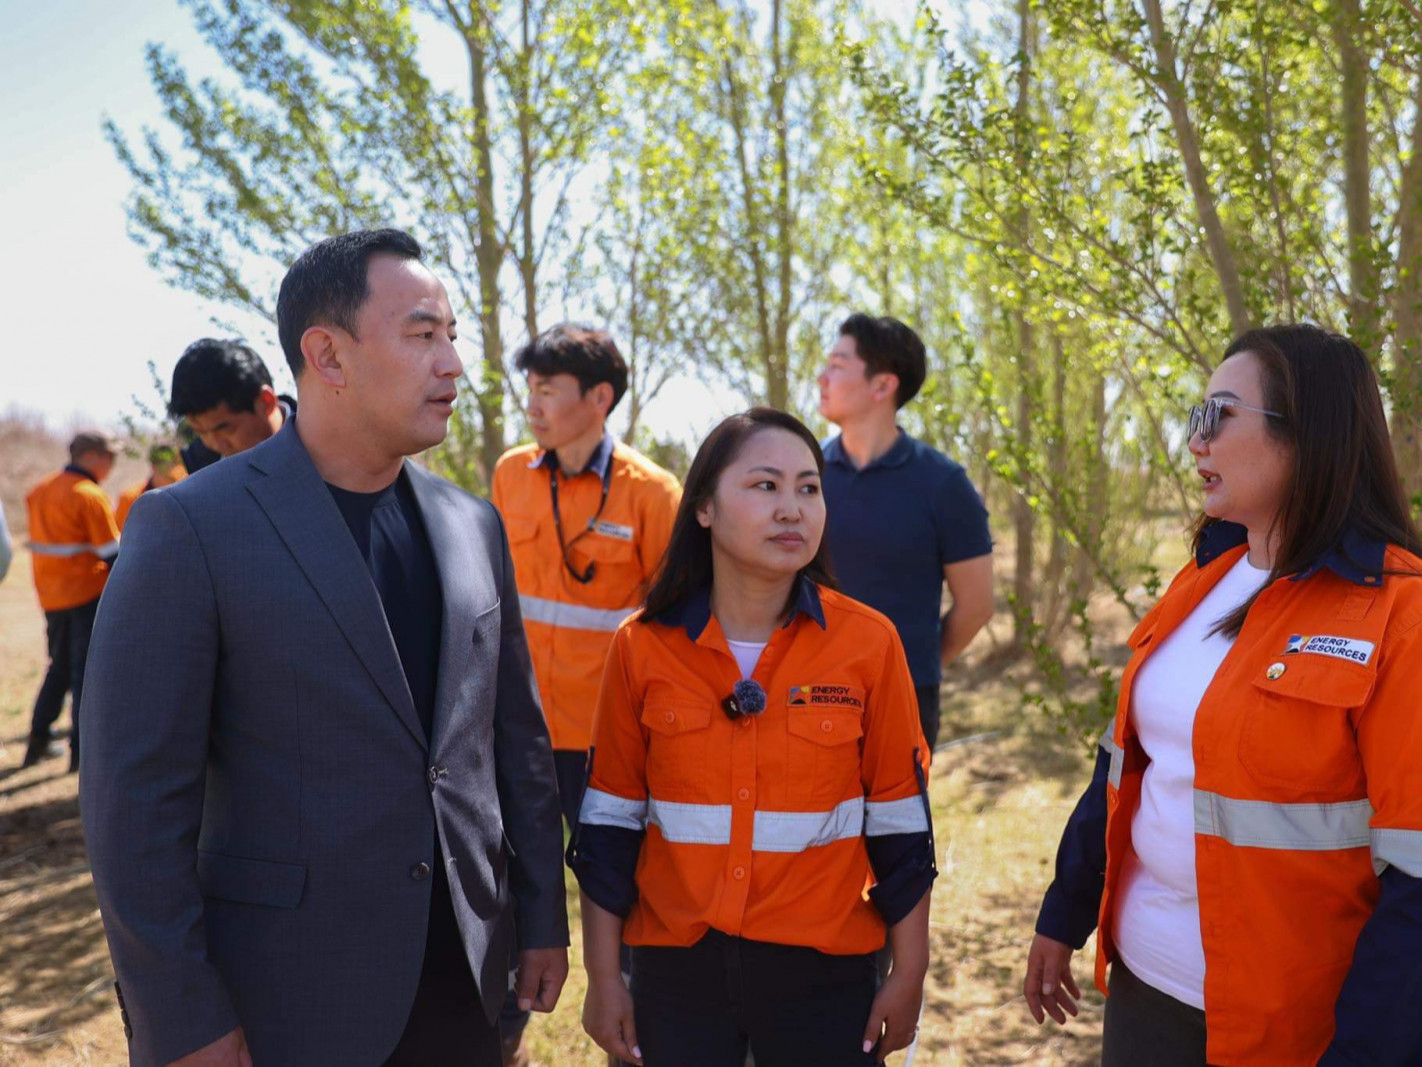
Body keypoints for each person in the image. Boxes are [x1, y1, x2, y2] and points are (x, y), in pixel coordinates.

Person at [81, 229, 569, 1067]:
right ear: (327, 355)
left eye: (451, 335)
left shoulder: (471, 523)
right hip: (286, 1001)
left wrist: (539, 917)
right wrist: (182, 1013)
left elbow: (510, 741)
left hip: (468, 983)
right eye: (424, 335)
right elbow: (133, 802)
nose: (453, 362)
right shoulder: (190, 528)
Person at [1025, 324, 1422, 1065]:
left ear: (1307, 432)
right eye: (1193, 417)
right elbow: (1122, 767)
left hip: (1293, 1030)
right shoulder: (1199, 581)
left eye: (1218, 415)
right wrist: (1064, 912)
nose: (1195, 442)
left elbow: (1417, 879)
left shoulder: (1400, 613)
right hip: (1144, 994)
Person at [570, 408, 936, 1067]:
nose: (793, 508)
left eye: (808, 487)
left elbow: (902, 826)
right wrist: (603, 975)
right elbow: (607, 827)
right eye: (766, 486)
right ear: (704, 507)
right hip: (676, 974)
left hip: (825, 974)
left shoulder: (868, 644)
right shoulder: (641, 647)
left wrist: (909, 971)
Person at [490, 324, 680, 1062]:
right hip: (517, 738)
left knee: (623, 901)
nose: (533, 402)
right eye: (529, 387)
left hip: (613, 744)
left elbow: (672, 625)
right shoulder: (510, 474)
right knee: (505, 899)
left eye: (548, 388)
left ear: (599, 398)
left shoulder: (653, 492)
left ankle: (631, 1041)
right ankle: (498, 1038)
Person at [818, 313, 993, 754]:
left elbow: (975, 606)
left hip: (905, 701)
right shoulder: (805, 475)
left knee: (894, 825)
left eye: (838, 365)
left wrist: (914, 667)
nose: (822, 377)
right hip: (806, 692)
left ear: (882, 386)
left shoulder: (943, 483)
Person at [22, 430, 120, 770]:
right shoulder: (89, 495)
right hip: (86, 596)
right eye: (111, 458)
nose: (112, 466)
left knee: (58, 668)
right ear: (93, 456)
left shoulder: (39, 491)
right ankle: (82, 754)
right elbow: (113, 554)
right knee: (86, 675)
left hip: (51, 597)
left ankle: (37, 739)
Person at [167, 338, 296, 470]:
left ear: (265, 402)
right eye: (202, 432)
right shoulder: (200, 469)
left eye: (224, 429)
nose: (217, 445)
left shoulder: (315, 437)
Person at [114, 441, 186, 531]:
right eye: (169, 463)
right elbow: (120, 537)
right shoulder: (130, 499)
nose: (175, 469)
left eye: (178, 463)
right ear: (154, 465)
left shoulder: (187, 495)